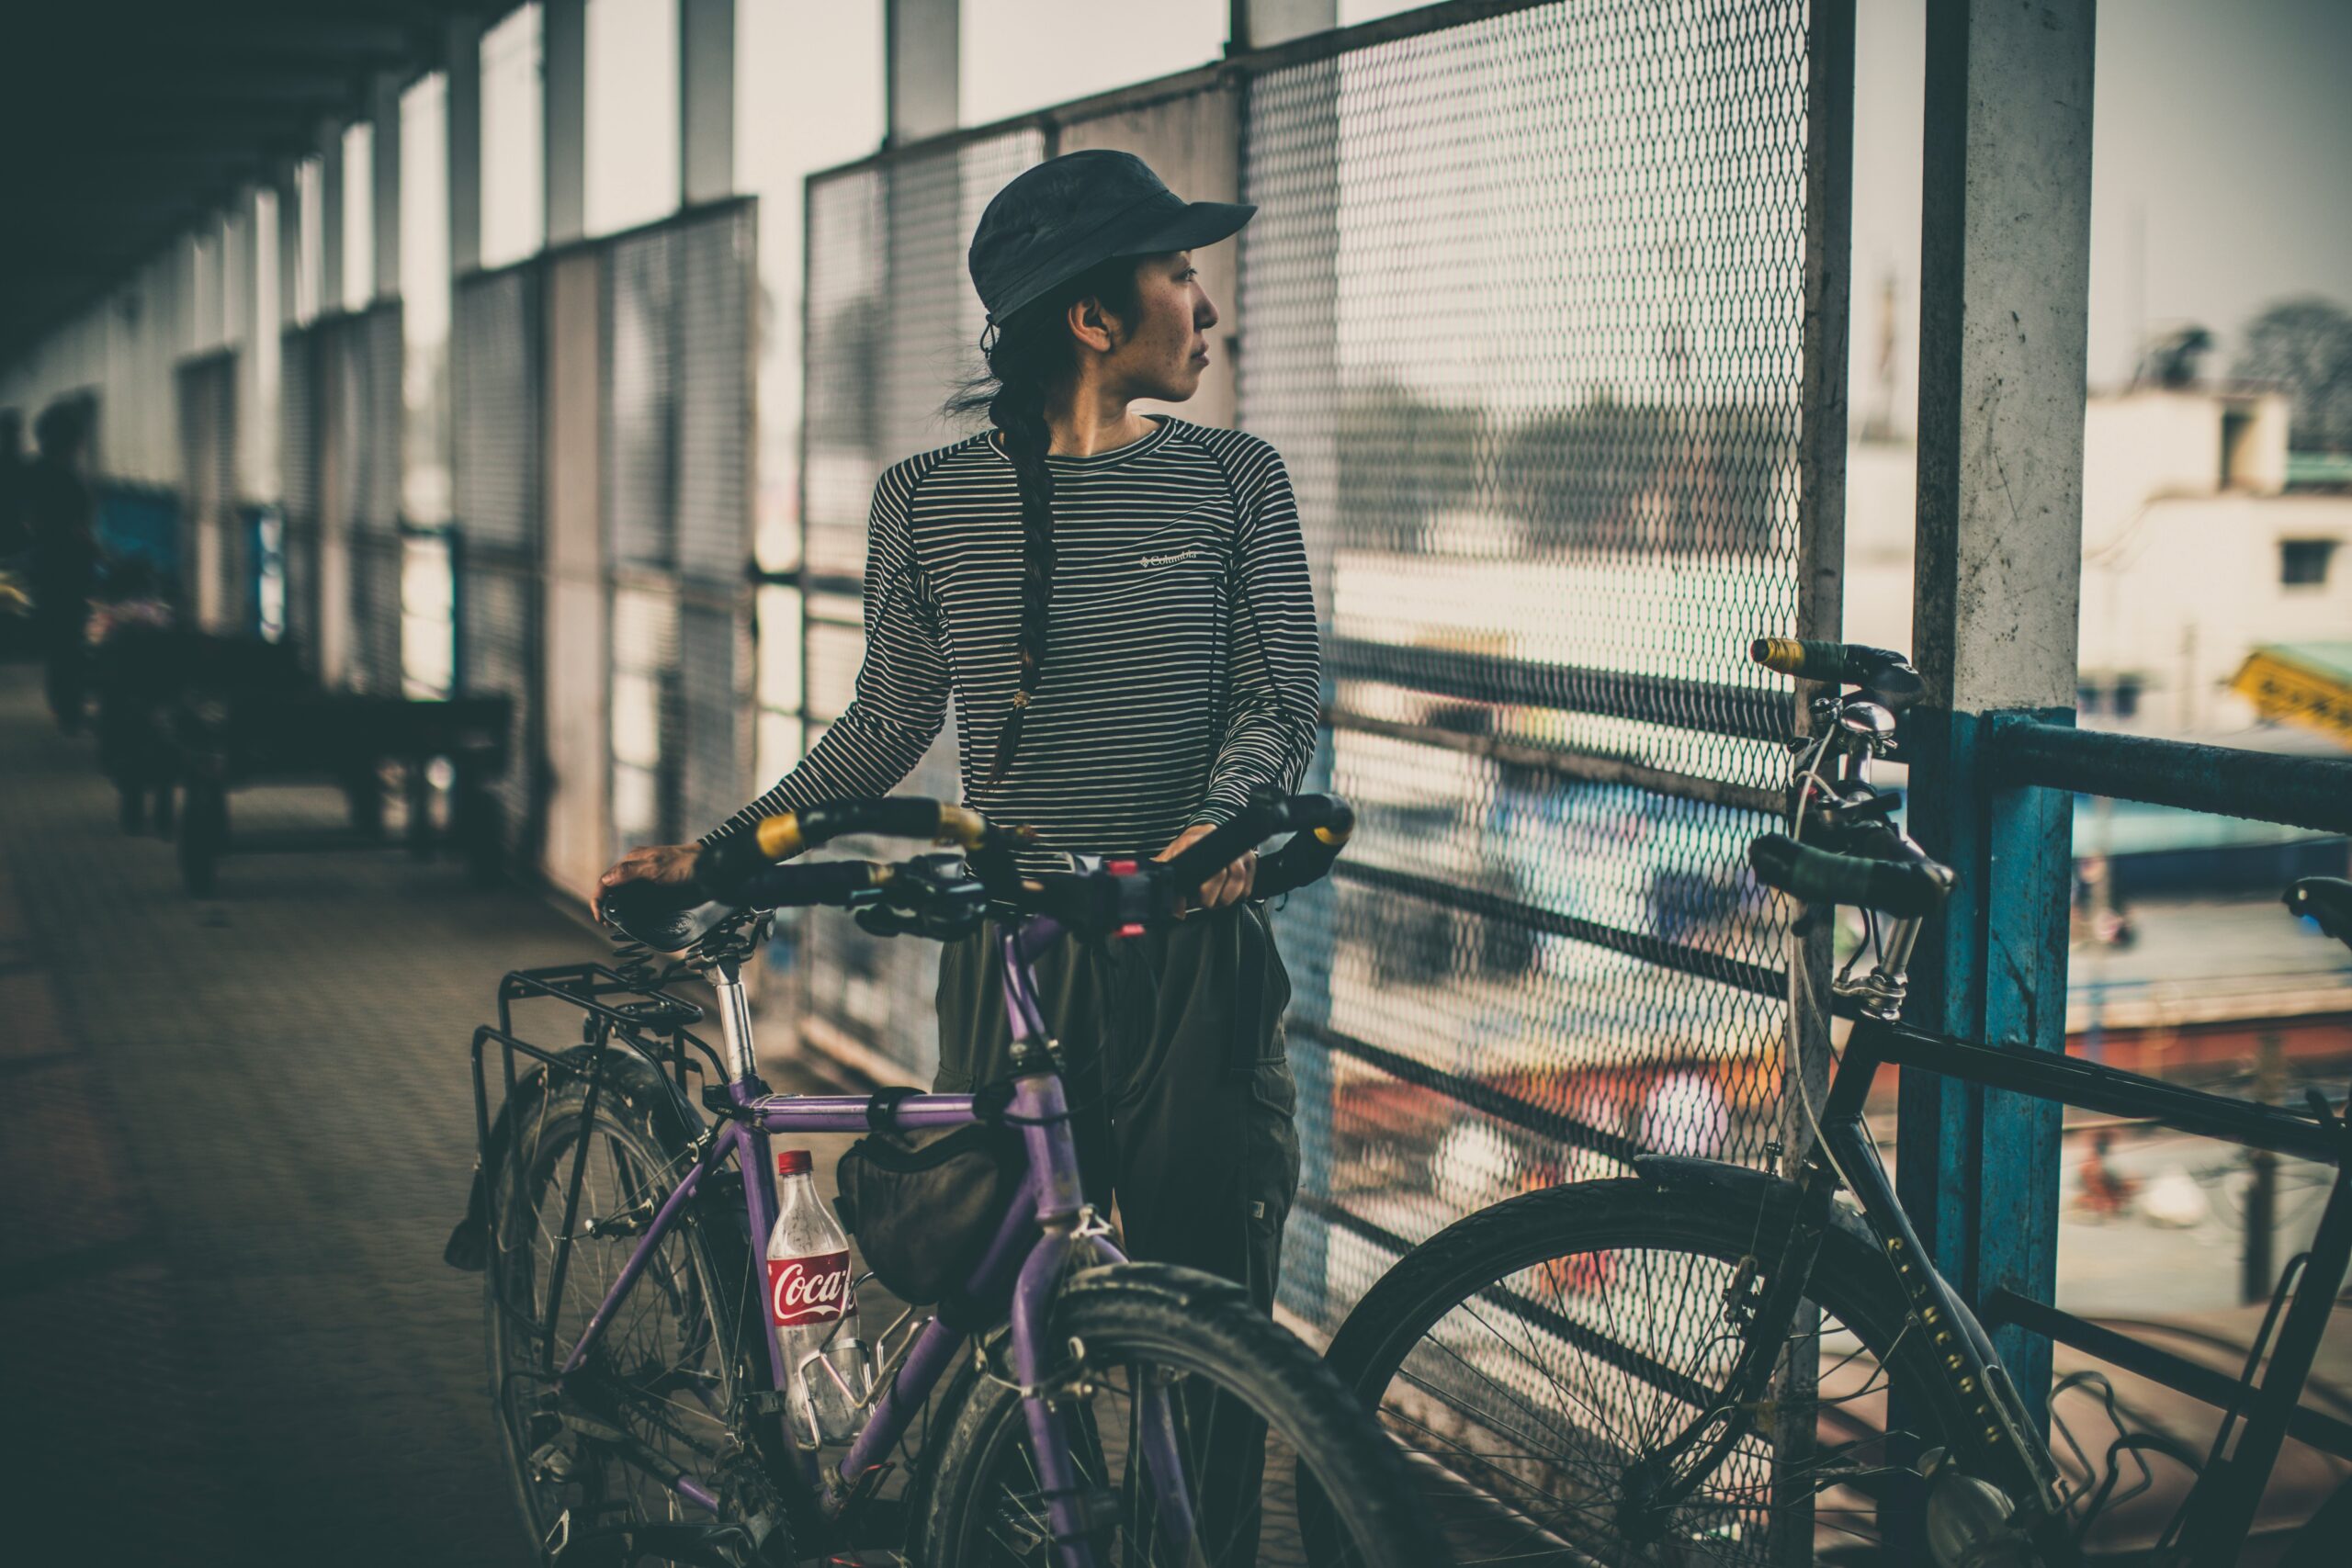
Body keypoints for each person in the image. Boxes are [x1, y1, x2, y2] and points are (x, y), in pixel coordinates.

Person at [597, 150, 1321, 1320]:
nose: (1208, 307)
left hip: (1195, 937)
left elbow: (1280, 696)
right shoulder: (926, 499)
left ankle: (1197, 1518)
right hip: (1010, 945)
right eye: (1180, 275)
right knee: (1004, 1312)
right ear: (1092, 317)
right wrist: (724, 853)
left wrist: (1221, 825)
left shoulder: (1234, 478)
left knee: (1210, 1315)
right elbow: (886, 721)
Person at [24, 400, 99, 731]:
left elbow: (33, 520)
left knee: (58, 637)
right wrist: (99, 551)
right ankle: (70, 710)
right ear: (69, 440)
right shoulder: (65, 478)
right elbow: (75, 527)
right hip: (68, 567)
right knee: (70, 636)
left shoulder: (36, 472)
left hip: (45, 563)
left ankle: (62, 704)